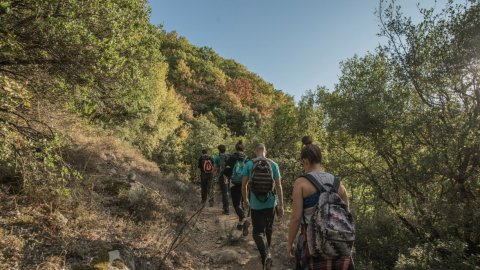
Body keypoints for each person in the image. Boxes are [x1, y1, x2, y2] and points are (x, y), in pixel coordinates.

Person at [287, 136, 354, 270]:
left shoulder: (301, 183)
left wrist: (290, 243)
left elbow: (296, 218)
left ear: (305, 161)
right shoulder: (337, 183)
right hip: (338, 244)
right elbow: (347, 214)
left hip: (313, 244)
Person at [242, 143, 284, 270]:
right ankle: (268, 253)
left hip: (255, 204)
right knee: (268, 229)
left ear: (256, 152)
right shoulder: (273, 164)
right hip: (271, 202)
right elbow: (278, 186)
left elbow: (243, 185)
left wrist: (245, 200)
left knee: (257, 232)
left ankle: (265, 256)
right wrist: (281, 205)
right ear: (266, 151)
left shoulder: (249, 164)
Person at [224, 140, 249, 231]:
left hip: (234, 183)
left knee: (236, 204)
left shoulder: (232, 157)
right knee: (243, 203)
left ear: (236, 148)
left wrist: (226, 176)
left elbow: (226, 171)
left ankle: (243, 219)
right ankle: (241, 223)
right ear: (243, 148)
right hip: (245, 184)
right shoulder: (247, 158)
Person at [213, 144, 230, 215]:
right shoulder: (228, 157)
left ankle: (226, 209)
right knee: (226, 192)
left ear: (219, 150)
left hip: (222, 176)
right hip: (229, 176)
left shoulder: (217, 158)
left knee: (224, 193)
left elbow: (215, 168)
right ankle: (226, 208)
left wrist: (213, 174)